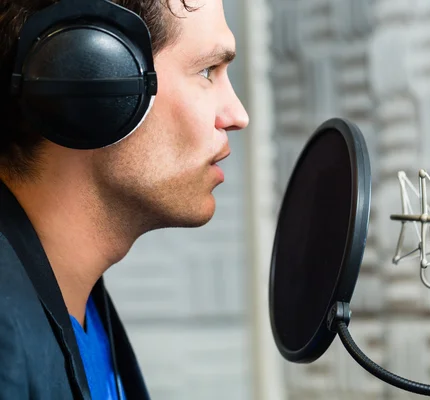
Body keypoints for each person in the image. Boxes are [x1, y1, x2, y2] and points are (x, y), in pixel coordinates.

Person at [0, 0, 249, 398]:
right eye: (207, 71)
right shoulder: (6, 340)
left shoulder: (81, 304)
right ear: (90, 73)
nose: (237, 115)